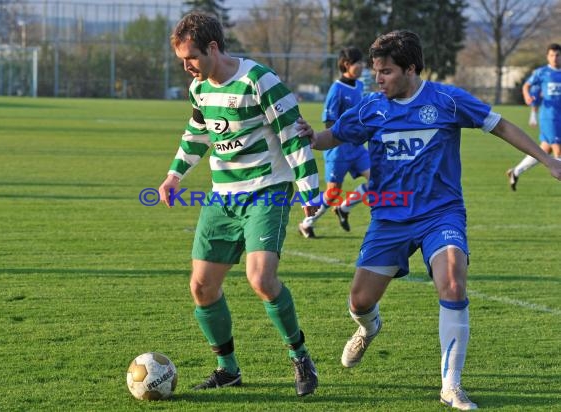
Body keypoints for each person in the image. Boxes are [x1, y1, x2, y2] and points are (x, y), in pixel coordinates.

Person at [297, 30, 561, 410]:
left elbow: (501, 125)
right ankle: (369, 328)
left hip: (441, 213)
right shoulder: (372, 108)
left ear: (410, 68)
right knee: (359, 301)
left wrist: (547, 159)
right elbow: (332, 137)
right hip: (389, 217)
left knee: (452, 281)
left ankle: (451, 385)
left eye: (386, 71)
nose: (378, 78)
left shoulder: (447, 101)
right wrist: (311, 136)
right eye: (375, 71)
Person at [158, 12, 319, 396]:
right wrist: (174, 175)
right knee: (201, 286)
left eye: (192, 57)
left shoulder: (258, 80)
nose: (187, 66)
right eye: (181, 59)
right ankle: (227, 369)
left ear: (213, 48)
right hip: (223, 196)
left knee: (261, 279)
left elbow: (294, 136)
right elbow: (197, 133)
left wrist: (311, 191)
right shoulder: (199, 88)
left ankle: (300, 357)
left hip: (268, 190)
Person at [298, 47, 370, 238]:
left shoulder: (360, 87)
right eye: (358, 62)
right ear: (347, 64)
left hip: (357, 148)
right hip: (338, 150)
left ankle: (344, 208)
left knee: (378, 179)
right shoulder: (336, 89)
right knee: (332, 193)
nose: (362, 66)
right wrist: (345, 133)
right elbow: (329, 122)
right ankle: (307, 223)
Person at [506, 43, 561, 191]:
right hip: (549, 117)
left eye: (557, 55)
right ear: (547, 57)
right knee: (558, 149)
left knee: (544, 150)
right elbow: (526, 86)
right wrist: (527, 97)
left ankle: (515, 172)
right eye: (552, 55)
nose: (555, 58)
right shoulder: (542, 72)